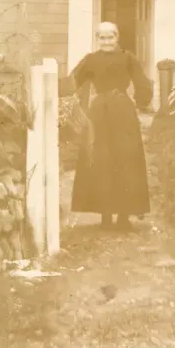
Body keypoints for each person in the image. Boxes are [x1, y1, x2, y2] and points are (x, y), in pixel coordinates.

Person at [68, 21, 153, 232]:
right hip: (98, 114)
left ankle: (123, 217)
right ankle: (105, 216)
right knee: (100, 160)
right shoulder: (90, 60)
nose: (106, 41)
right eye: (102, 38)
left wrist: (142, 102)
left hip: (123, 111)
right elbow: (73, 81)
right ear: (97, 40)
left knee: (125, 159)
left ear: (117, 38)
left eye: (110, 37)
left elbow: (141, 82)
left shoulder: (128, 57)